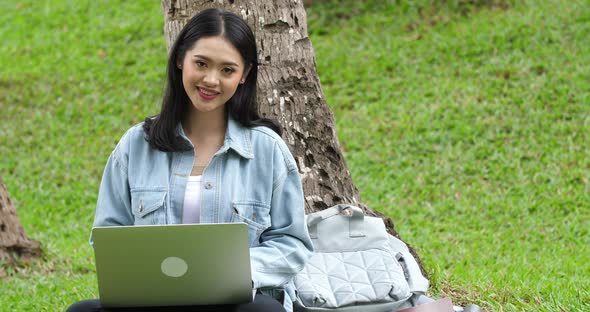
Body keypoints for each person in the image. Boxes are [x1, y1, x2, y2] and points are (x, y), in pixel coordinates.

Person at [67, 8, 313, 312]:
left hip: (236, 301)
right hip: (153, 299)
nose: (211, 80)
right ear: (181, 59)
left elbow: (292, 244)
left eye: (227, 70)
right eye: (201, 64)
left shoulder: (267, 150)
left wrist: (236, 272)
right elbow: (108, 235)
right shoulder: (135, 145)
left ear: (244, 75)